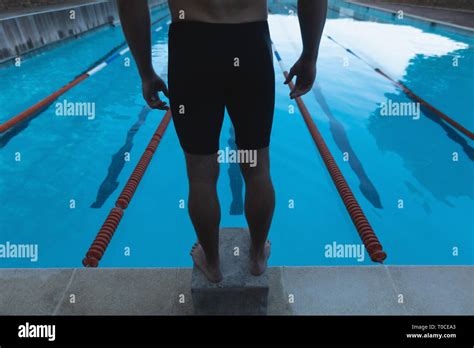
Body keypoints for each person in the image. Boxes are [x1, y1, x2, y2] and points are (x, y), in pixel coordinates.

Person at [117, 0, 327, 283]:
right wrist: (310, 56)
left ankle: (213, 263)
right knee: (257, 168)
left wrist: (145, 72)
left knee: (200, 175)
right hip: (250, 41)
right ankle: (256, 257)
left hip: (191, 46)